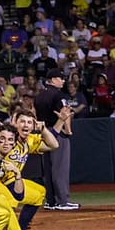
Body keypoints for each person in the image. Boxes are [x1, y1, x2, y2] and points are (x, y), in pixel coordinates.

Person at [35, 69, 78, 210]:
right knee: (60, 168)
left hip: (44, 133)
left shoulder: (39, 96)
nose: (63, 80)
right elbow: (65, 114)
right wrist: (69, 130)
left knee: (48, 169)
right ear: (53, 79)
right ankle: (63, 201)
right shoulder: (59, 95)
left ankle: (51, 201)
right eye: (61, 78)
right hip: (58, 132)